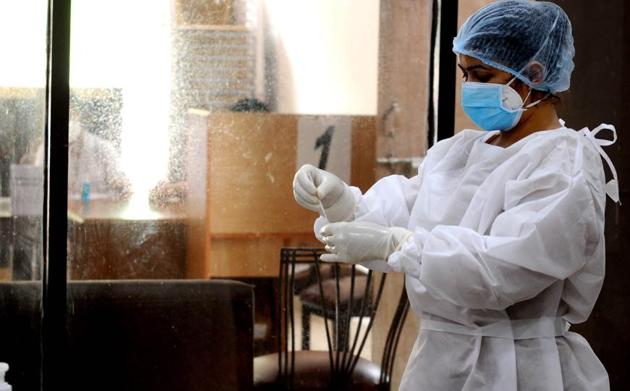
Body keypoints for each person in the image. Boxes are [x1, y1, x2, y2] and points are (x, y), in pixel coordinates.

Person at [293, 1, 617, 390]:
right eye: (465, 73)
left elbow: (503, 271)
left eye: (483, 74)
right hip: (439, 364)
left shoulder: (564, 162)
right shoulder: (460, 152)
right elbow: (407, 213)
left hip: (520, 370)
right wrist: (344, 204)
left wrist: (400, 245)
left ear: (534, 74)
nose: (470, 87)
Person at [22, 108, 131, 201]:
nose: (66, 121)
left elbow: (118, 186)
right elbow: (37, 190)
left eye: (70, 115)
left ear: (78, 115)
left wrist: (121, 187)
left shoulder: (103, 149)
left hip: (96, 219)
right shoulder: (46, 150)